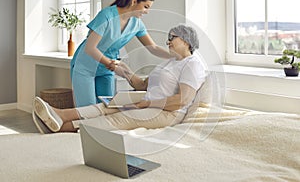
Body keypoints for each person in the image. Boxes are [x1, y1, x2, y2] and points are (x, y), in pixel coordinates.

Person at [32, 24, 206, 134]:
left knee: (118, 118)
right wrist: (125, 71)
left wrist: (146, 104)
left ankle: (60, 127)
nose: (167, 42)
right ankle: (59, 113)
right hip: (148, 102)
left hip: (168, 113)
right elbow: (143, 85)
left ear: (186, 40)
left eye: (172, 38)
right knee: (107, 106)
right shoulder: (170, 62)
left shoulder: (192, 64)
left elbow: (182, 100)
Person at [71, 0, 171, 107]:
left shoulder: (136, 24)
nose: (147, 12)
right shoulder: (106, 15)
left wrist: (176, 56)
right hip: (86, 66)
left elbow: (153, 48)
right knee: (88, 109)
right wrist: (110, 63)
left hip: (106, 69)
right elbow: (90, 48)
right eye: (146, 6)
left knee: (107, 108)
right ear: (134, 1)